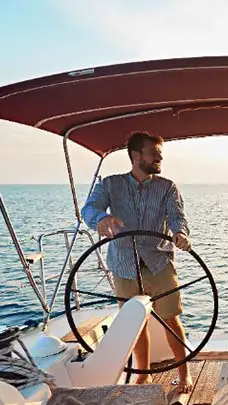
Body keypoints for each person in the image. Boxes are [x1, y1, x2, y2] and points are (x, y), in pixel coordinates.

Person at [81, 131, 193, 390]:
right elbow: (89, 208)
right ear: (135, 156)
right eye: (154, 153)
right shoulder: (110, 185)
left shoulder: (167, 187)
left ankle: (184, 373)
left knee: (170, 319)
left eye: (159, 154)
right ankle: (143, 373)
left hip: (158, 262)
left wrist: (180, 234)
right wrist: (101, 220)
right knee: (135, 322)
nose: (159, 157)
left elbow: (177, 217)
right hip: (124, 265)